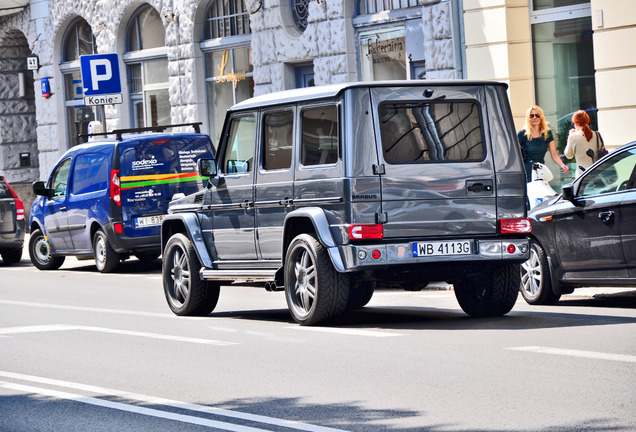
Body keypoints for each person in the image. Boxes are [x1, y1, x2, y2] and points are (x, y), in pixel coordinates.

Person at [517, 105, 568, 182]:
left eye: (537, 115)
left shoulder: (547, 134)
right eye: (531, 116)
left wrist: (562, 165)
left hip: (540, 170)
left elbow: (554, 154)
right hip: (527, 171)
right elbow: (515, 155)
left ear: (541, 118)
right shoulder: (522, 134)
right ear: (528, 118)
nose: (534, 117)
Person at [564, 110, 600, 177]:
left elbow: (568, 155)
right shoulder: (597, 135)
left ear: (575, 123)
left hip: (582, 176)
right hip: (597, 175)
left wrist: (570, 136)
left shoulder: (573, 136)